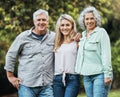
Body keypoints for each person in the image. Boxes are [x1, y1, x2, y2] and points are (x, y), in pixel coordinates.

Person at [4, 9, 55, 97]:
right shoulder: (23, 37)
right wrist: (10, 76)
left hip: (47, 85)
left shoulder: (54, 37)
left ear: (48, 21)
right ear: (34, 21)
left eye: (43, 20)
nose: (41, 22)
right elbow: (11, 55)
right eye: (38, 20)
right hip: (26, 85)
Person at [75, 6, 113, 97]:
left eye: (92, 18)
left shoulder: (101, 32)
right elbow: (82, 54)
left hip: (100, 75)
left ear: (96, 20)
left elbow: (106, 55)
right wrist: (77, 43)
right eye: (87, 19)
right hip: (86, 76)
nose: (89, 21)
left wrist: (107, 74)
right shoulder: (83, 36)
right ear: (83, 21)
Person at [53, 14, 80, 97]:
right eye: (62, 25)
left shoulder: (77, 42)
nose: (65, 27)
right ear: (59, 27)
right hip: (57, 78)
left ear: (72, 26)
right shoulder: (56, 42)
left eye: (67, 25)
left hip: (72, 78)